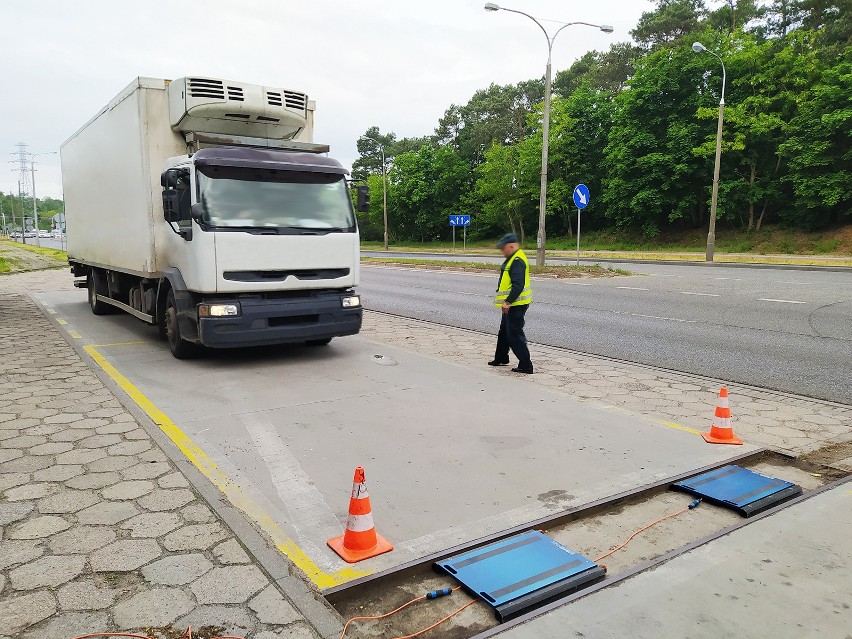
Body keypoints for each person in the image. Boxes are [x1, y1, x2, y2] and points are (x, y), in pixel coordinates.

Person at [489, 233, 533, 374]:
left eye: (504, 249)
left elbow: (518, 285)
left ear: (511, 246)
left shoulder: (517, 260)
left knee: (514, 334)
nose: (502, 252)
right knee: (504, 331)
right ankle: (501, 358)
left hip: (516, 304)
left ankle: (526, 365)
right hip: (511, 304)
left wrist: (508, 302)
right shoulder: (512, 258)